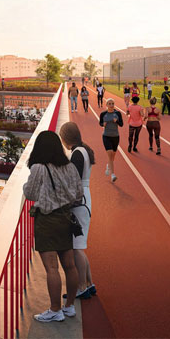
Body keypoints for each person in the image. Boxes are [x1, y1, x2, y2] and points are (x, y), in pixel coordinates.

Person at [23, 131, 82, 322]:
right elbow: (78, 194)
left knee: (51, 268)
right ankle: (70, 306)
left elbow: (30, 193)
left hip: (47, 220)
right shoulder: (70, 167)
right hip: (66, 218)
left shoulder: (39, 168)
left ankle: (55, 309)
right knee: (70, 265)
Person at [59, 122, 96, 300]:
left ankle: (81, 286)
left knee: (76, 247)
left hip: (80, 201)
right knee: (80, 246)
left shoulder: (77, 153)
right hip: (85, 198)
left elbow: (73, 180)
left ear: (65, 138)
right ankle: (89, 283)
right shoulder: (83, 150)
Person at [98, 99, 123, 182]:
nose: (111, 105)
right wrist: (103, 124)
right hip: (106, 136)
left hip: (115, 136)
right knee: (110, 154)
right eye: (109, 104)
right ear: (106, 105)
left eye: (112, 103)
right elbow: (100, 123)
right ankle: (113, 174)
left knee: (113, 156)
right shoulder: (103, 114)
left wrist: (117, 121)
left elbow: (121, 124)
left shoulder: (118, 113)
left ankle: (109, 165)